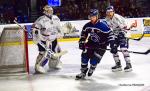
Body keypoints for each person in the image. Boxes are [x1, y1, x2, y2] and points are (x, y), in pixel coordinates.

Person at [76, 9, 112, 80]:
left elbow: (111, 35)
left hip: (101, 45)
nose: (91, 18)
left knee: (94, 60)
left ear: (97, 16)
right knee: (84, 55)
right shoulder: (87, 25)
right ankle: (83, 72)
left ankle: (92, 67)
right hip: (91, 43)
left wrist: (112, 44)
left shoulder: (103, 25)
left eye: (93, 17)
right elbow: (83, 34)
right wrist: (82, 42)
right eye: (90, 17)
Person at [31, 5, 64, 74]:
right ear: (45, 12)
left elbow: (59, 27)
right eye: (48, 11)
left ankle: (53, 64)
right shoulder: (41, 20)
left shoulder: (55, 18)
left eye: (51, 10)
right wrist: (37, 39)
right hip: (44, 40)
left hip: (53, 38)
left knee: (57, 52)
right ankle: (39, 66)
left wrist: (61, 33)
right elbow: (35, 30)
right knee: (45, 54)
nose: (50, 12)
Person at [105, 6, 135, 72]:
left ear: (113, 12)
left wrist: (122, 34)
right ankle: (118, 64)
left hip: (124, 33)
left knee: (123, 48)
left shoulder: (117, 17)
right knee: (113, 48)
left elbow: (125, 27)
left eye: (111, 12)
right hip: (115, 34)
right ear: (106, 13)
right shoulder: (106, 20)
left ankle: (128, 64)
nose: (109, 13)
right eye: (108, 12)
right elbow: (108, 30)